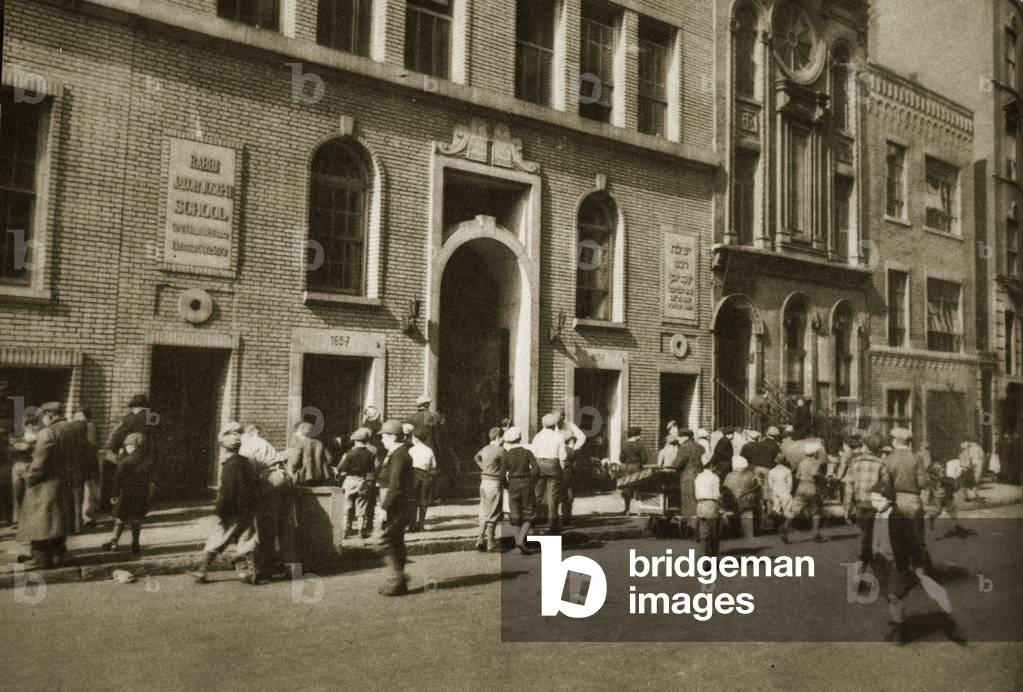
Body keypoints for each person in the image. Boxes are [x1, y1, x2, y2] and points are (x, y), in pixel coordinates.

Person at [188, 422, 261, 585]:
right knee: (245, 541)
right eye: (232, 433)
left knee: (216, 540)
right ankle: (250, 573)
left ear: (222, 444)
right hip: (247, 510)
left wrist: (220, 512)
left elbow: (228, 492)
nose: (235, 436)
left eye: (236, 433)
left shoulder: (230, 465)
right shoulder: (246, 462)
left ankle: (201, 571)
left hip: (232, 512)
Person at [857, 480, 928, 644]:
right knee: (888, 594)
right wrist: (862, 561)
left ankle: (899, 630)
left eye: (879, 500)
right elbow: (866, 541)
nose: (875, 504)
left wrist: (917, 565)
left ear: (889, 499)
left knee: (894, 594)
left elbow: (913, 542)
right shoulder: (870, 517)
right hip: (878, 561)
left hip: (896, 562)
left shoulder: (899, 518)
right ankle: (899, 622)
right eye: (873, 500)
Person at [16, 402, 80, 569]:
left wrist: (28, 477)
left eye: (44, 416)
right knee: (58, 520)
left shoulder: (48, 433)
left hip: (44, 485)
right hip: (65, 481)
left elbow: (39, 463)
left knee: (40, 521)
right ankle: (59, 554)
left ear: (50, 414)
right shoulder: (73, 429)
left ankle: (40, 558)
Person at [240, 424, 297, 581]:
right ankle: (293, 569)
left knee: (267, 527)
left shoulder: (247, 444)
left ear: (246, 433)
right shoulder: (263, 442)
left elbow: (249, 471)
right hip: (284, 477)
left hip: (270, 480)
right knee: (286, 526)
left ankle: (266, 569)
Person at [378, 419, 415, 596]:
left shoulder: (399, 454)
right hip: (396, 503)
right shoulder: (397, 453)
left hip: (396, 505)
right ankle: (398, 580)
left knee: (390, 541)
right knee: (394, 541)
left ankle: (397, 580)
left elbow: (396, 483)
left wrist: (385, 507)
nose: (381, 440)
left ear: (393, 436)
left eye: (384, 436)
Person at [844, 433, 892, 559]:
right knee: (873, 529)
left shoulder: (855, 462)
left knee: (864, 529)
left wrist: (847, 507)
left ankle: (865, 554)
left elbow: (849, 485)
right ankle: (869, 552)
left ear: (865, 447)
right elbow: (886, 485)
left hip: (859, 501)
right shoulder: (881, 463)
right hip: (875, 502)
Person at [102, 432, 151, 555]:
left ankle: (114, 542)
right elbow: (151, 480)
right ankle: (135, 544)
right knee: (136, 520)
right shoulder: (148, 460)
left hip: (125, 494)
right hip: (140, 494)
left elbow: (118, 479)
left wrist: (114, 494)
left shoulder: (126, 461)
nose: (125, 448)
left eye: (127, 445)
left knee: (120, 519)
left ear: (133, 446)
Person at [885, 428, 929, 546]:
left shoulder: (888, 459)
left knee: (897, 539)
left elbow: (885, 484)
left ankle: (901, 563)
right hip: (913, 499)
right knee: (916, 536)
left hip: (895, 500)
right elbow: (923, 483)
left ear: (896, 440)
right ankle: (917, 563)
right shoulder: (916, 459)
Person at [500, 426, 540, 554]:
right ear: (520, 438)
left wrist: (506, 485)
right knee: (529, 513)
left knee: (515, 514)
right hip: (527, 483)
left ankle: (518, 543)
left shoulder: (506, 455)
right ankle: (520, 541)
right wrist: (532, 482)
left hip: (513, 484)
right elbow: (536, 470)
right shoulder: (527, 452)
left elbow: (501, 475)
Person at [782, 440, 829, 543]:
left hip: (801, 487)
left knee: (794, 510)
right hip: (811, 487)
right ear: (814, 453)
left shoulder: (802, 463)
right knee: (816, 511)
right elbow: (814, 473)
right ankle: (815, 533)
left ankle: (785, 526)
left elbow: (797, 476)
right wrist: (823, 478)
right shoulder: (816, 462)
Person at [531, 413, 567, 533]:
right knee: (553, 496)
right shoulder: (559, 437)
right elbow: (563, 456)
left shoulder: (537, 437)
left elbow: (533, 453)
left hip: (539, 465)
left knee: (537, 494)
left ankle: (531, 521)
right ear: (554, 424)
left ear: (542, 424)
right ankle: (553, 524)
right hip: (554, 465)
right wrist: (562, 470)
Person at [338, 427, 377, 539]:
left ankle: (345, 531)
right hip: (363, 481)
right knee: (362, 507)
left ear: (355, 440)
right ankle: (361, 531)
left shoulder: (350, 453)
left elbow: (342, 468)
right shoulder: (370, 454)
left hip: (350, 480)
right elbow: (372, 469)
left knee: (347, 507)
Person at [474, 427, 506, 552]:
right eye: (502, 437)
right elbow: (504, 469)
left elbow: (476, 457)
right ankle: (491, 543)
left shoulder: (485, 448)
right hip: (494, 482)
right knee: (493, 512)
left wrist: (483, 468)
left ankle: (480, 539)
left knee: (484, 510)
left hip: (484, 482)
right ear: (498, 437)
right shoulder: (501, 451)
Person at [69, 407, 100, 530]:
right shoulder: (87, 425)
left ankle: (86, 517)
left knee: (87, 491)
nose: (76, 417)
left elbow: (92, 445)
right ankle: (85, 517)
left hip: (86, 464)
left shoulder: (89, 426)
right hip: (86, 464)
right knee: (86, 492)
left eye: (78, 414)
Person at [403, 422, 437, 532]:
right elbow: (434, 465)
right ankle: (421, 526)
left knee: (413, 500)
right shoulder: (429, 450)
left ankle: (412, 525)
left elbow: (406, 464)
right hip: (426, 475)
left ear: (416, 439)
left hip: (414, 475)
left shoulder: (411, 450)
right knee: (423, 501)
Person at [554, 408, 585, 527]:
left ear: (563, 417)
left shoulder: (570, 426)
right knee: (558, 492)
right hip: (557, 459)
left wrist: (575, 448)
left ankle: (566, 517)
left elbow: (582, 437)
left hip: (569, 458)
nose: (557, 423)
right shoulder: (552, 427)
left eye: (559, 420)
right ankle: (556, 517)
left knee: (568, 491)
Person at [723, 455, 760, 539]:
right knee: (748, 517)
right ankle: (749, 535)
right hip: (747, 501)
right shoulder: (750, 475)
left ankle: (736, 533)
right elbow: (756, 485)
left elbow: (725, 488)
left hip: (733, 502)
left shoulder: (729, 476)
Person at [676, 429, 704, 539]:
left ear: (685, 437)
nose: (678, 439)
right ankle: (700, 524)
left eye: (679, 436)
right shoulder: (700, 447)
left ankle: (691, 528)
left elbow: (678, 463)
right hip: (700, 476)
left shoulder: (684, 447)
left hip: (688, 477)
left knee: (688, 503)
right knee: (698, 501)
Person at [288, 420, 334, 485]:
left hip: (304, 478)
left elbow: (294, 462)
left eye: (298, 431)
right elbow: (330, 458)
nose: (296, 433)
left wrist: (291, 472)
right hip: (321, 478)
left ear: (302, 432)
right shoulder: (320, 443)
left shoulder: (300, 443)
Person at [694, 457, 722, 557]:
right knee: (714, 534)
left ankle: (704, 559)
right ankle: (713, 557)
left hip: (700, 505)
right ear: (711, 465)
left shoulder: (698, 477)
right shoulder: (715, 477)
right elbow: (717, 494)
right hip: (711, 505)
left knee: (704, 534)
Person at [619, 426, 649, 515]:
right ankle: (639, 510)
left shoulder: (625, 444)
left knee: (627, 488)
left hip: (627, 468)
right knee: (638, 488)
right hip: (637, 467)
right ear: (636, 435)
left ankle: (627, 510)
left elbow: (621, 458)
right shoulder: (639, 444)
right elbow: (644, 459)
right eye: (639, 434)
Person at [767, 455, 793, 532]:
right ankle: (786, 526)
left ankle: (776, 527)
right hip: (785, 491)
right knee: (788, 510)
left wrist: (774, 490)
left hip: (775, 491)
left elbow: (770, 484)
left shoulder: (772, 471)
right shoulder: (787, 471)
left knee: (776, 509)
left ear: (776, 461)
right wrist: (788, 491)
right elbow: (790, 484)